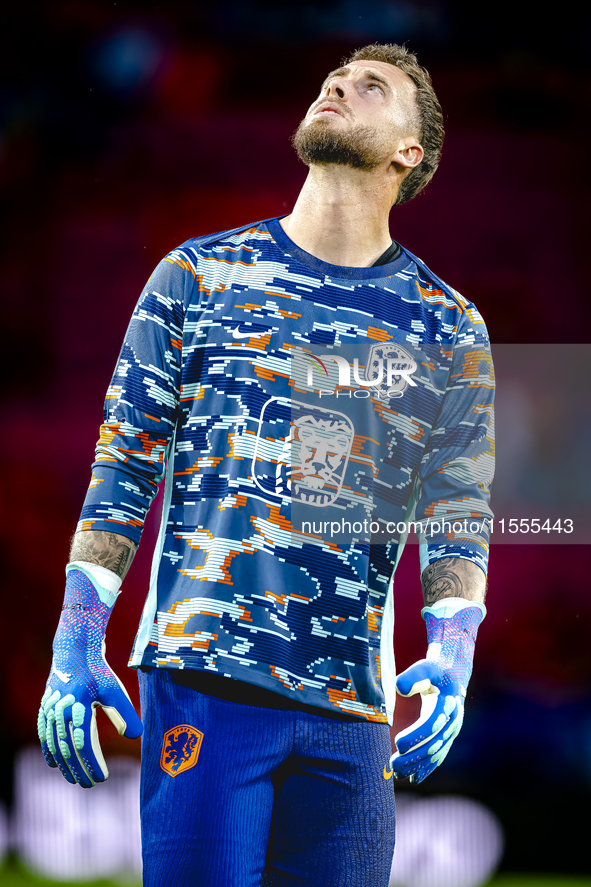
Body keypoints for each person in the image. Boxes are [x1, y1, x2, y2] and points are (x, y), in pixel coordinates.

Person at [38, 43, 494, 887]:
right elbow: (124, 463)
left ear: (409, 153)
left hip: (353, 708)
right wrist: (76, 633)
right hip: (205, 677)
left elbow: (457, 511)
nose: (337, 86)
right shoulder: (196, 275)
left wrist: (454, 645)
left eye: (371, 87)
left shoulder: (448, 327)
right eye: (334, 78)